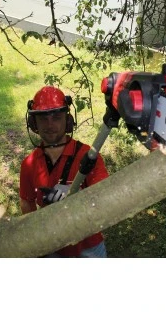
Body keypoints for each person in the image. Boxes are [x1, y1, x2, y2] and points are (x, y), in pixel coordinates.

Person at [19, 85, 109, 257]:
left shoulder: (88, 156)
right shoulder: (29, 164)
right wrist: (35, 235)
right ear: (34, 123)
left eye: (56, 118)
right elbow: (26, 202)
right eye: (43, 119)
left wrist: (76, 195)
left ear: (67, 121)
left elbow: (104, 195)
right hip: (51, 246)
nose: (50, 125)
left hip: (88, 245)